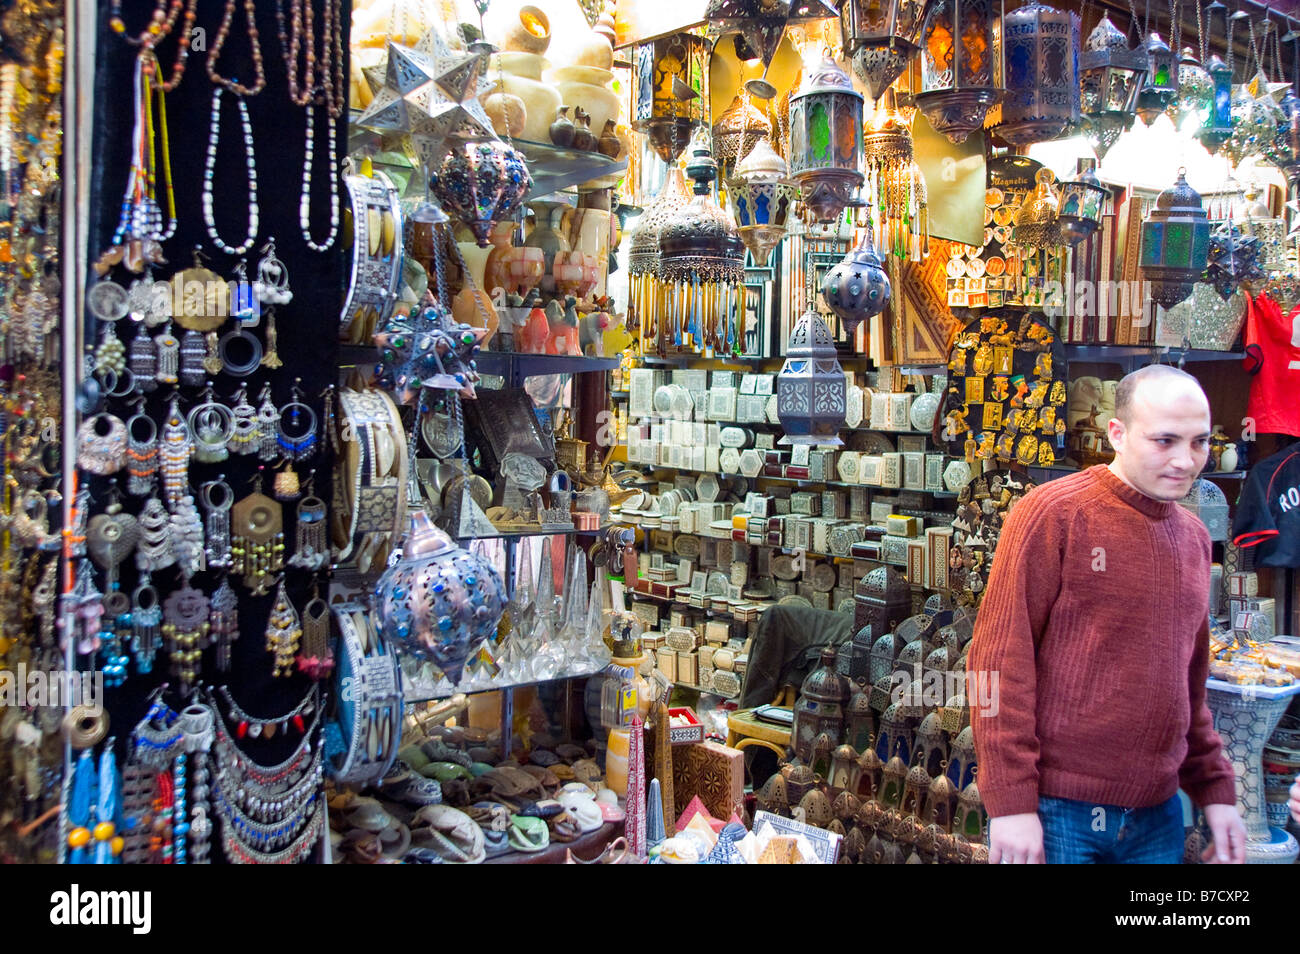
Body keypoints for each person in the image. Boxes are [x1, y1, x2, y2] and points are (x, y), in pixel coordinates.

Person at [968, 364, 1245, 864]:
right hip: (1057, 811)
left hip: (1158, 813)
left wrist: (1215, 787)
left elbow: (1189, 684)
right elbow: (994, 665)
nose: (1186, 460)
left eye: (1199, 442)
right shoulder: (1053, 514)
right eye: (1164, 441)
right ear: (1116, 434)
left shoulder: (1195, 539)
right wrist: (1010, 801)